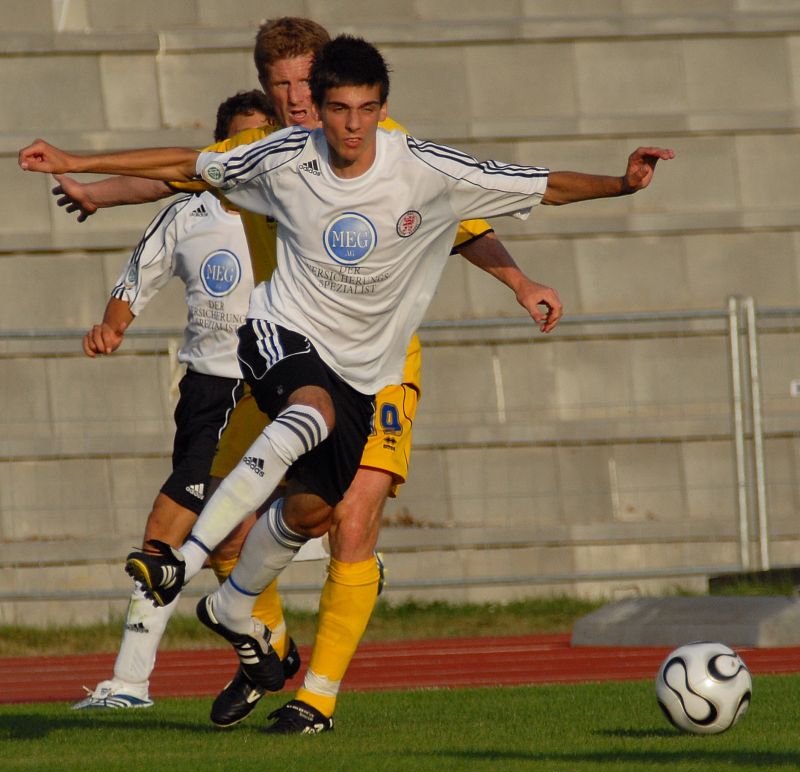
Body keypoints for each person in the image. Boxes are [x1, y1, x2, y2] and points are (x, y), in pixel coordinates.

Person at [20, 34, 671, 732]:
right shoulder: (271, 152)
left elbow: (478, 213)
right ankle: (236, 622)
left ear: (360, 98)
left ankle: (303, 684)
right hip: (283, 342)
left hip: (378, 363)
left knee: (335, 516)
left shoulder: (407, 157)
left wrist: (524, 276)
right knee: (243, 506)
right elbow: (178, 173)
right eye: (285, 87)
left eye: (308, 85)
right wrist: (84, 178)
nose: (300, 100)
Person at [70, 90, 306, 709]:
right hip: (205, 392)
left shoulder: (291, 209)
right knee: (225, 539)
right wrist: (112, 325)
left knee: (166, 530)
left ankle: (130, 682)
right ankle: (270, 646)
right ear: (219, 148)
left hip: (265, 386)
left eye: (262, 139)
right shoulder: (189, 213)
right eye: (238, 140)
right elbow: (138, 273)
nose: (249, 151)